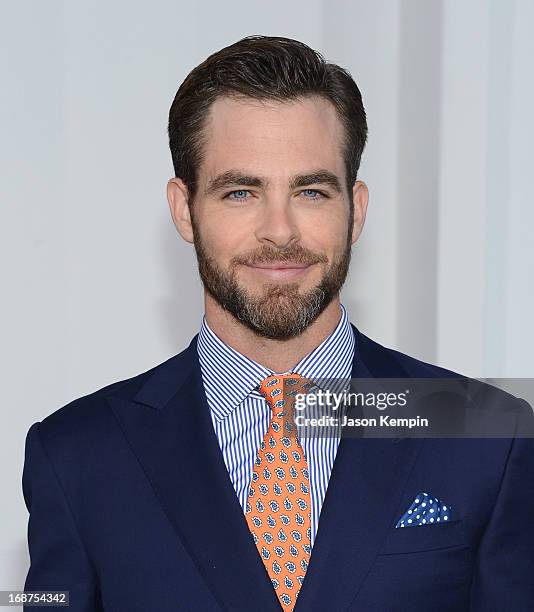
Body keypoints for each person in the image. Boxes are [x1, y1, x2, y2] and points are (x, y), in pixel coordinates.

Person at [22, 35, 534, 611]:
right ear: (183, 209)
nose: (281, 231)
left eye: (311, 191)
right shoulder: (75, 457)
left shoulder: (491, 435)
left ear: (356, 209)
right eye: (240, 192)